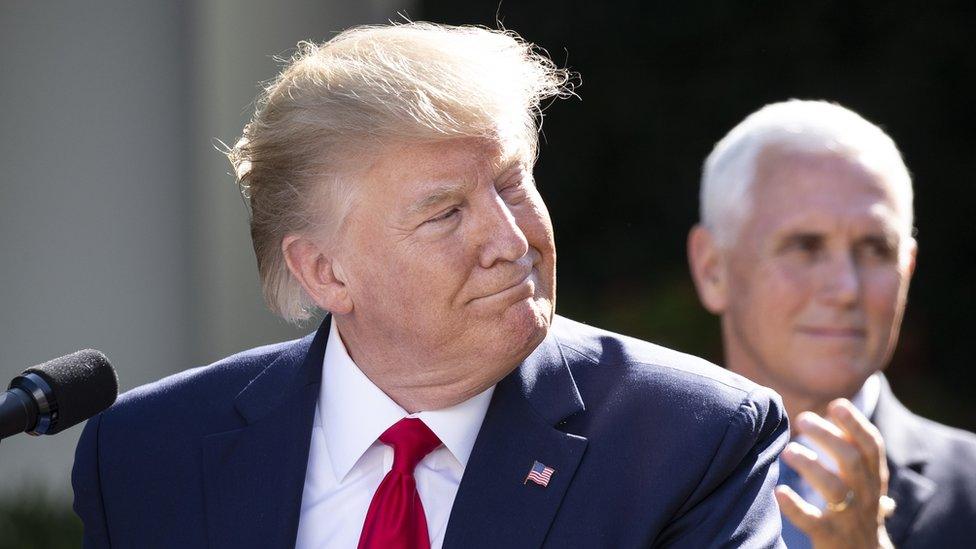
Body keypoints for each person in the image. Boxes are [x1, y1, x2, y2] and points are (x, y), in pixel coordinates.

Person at [73, 22, 788, 548]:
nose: (512, 242)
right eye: (447, 213)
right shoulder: (146, 452)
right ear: (326, 271)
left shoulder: (688, 440)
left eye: (512, 182)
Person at [688, 99, 976, 548]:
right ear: (712, 269)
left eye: (876, 249)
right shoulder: (626, 473)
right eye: (805, 246)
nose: (846, 288)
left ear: (908, 268)